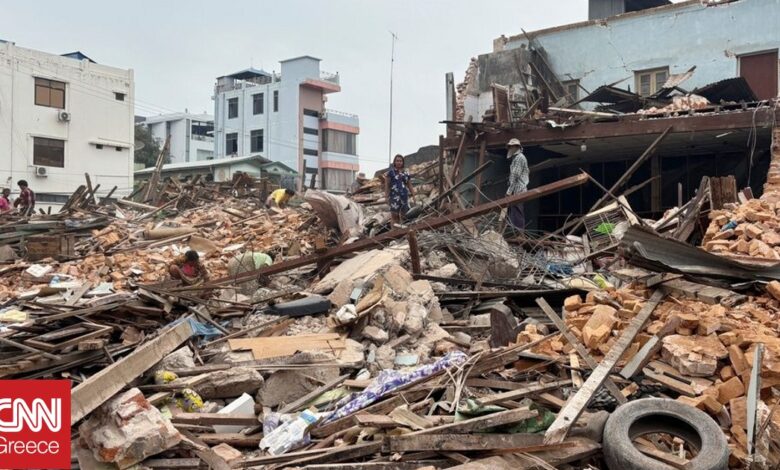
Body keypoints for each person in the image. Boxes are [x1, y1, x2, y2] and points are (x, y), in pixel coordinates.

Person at [505, 138, 529, 231]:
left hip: (519, 189)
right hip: (517, 189)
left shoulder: (519, 158)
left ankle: (518, 233)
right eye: (509, 146)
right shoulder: (517, 158)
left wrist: (509, 191)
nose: (510, 148)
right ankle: (516, 232)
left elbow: (515, 175)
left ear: (516, 147)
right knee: (514, 212)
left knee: (517, 212)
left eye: (511, 146)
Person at [385, 154, 414, 226]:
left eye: (400, 161)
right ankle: (394, 231)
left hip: (404, 196)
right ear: (394, 162)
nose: (399, 162)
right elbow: (387, 185)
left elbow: (410, 185)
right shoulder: (390, 173)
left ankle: (401, 230)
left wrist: (413, 195)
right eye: (397, 161)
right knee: (394, 215)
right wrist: (386, 197)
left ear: (403, 162)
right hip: (394, 197)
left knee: (403, 215)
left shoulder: (406, 173)